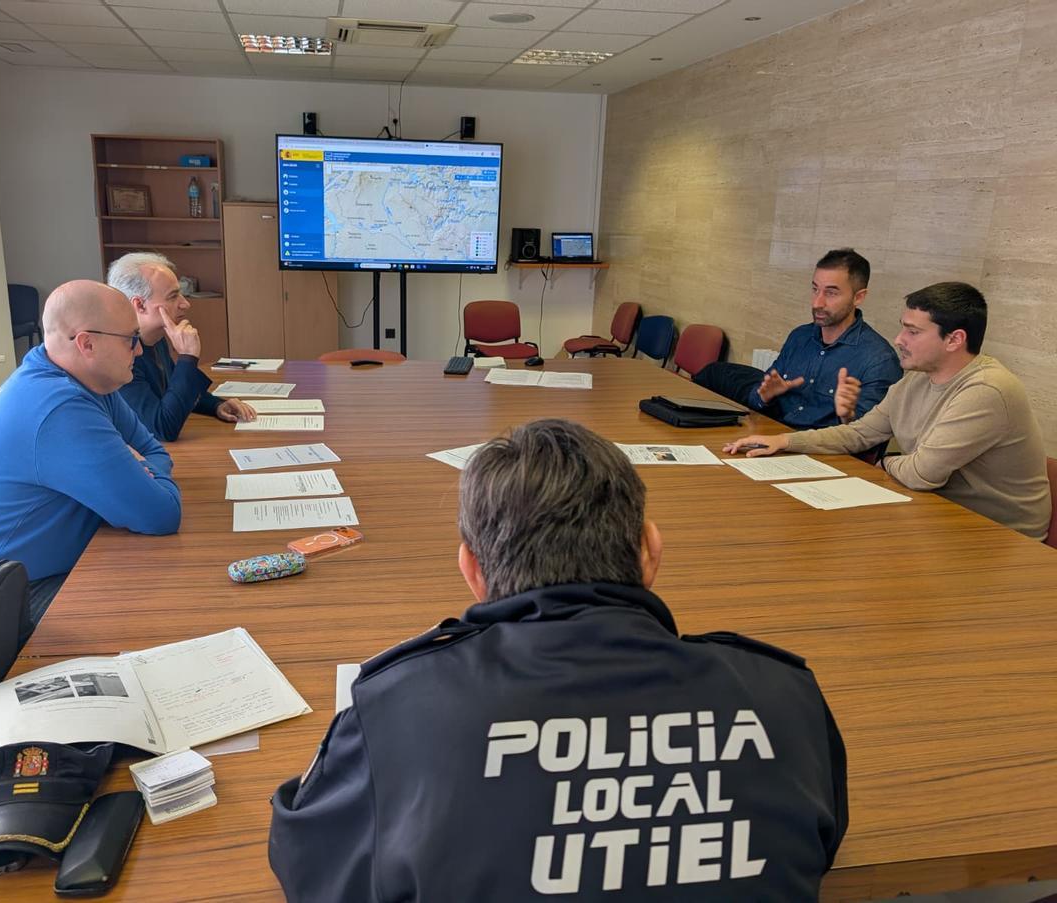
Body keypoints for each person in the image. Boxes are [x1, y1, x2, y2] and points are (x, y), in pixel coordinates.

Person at [270, 419, 848, 901]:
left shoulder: (396, 708)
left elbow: (310, 865)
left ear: (473, 571)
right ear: (650, 551)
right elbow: (816, 848)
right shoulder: (783, 693)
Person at [0, 280, 182, 619]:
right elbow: (161, 514)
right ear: (87, 343)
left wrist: (141, 470)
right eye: (131, 340)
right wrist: (140, 474)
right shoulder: (59, 407)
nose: (138, 351)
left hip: (12, 575)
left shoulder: (86, 380)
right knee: (155, 603)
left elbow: (155, 450)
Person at [724, 282, 1050, 539]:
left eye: (913, 331)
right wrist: (785, 442)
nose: (898, 339)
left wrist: (883, 461)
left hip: (998, 537)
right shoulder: (916, 380)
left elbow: (921, 474)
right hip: (935, 514)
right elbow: (861, 433)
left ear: (954, 340)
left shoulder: (986, 390)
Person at [695, 248, 901, 429]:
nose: (817, 302)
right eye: (815, 289)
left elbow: (864, 436)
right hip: (772, 435)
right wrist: (764, 397)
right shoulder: (800, 337)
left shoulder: (879, 360)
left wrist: (848, 416)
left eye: (831, 293)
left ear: (859, 297)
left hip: (819, 455)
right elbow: (759, 397)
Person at [107, 252, 255, 441]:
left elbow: (173, 389)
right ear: (140, 305)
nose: (185, 304)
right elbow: (163, 428)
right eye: (173, 296)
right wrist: (187, 357)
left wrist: (216, 405)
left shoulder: (156, 338)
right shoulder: (120, 357)